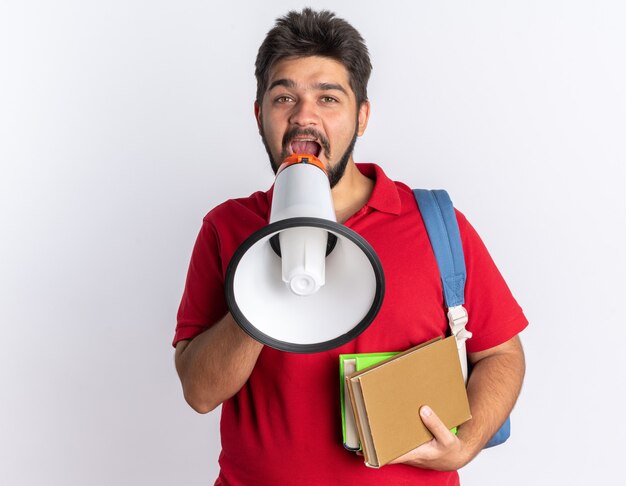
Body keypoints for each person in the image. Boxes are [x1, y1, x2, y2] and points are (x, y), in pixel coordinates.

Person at [173, 8, 527, 486]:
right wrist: (266, 285)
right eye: (283, 97)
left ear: (361, 116)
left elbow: (502, 354)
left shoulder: (434, 223)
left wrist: (464, 446)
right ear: (260, 116)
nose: (304, 116)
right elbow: (199, 392)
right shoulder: (227, 227)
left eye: (328, 97)